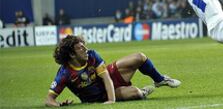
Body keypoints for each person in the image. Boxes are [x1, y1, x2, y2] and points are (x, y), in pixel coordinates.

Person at [45, 35, 181, 107]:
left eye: (84, 46)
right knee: (136, 93)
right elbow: (49, 100)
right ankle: (143, 92)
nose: (86, 49)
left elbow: (106, 78)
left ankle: (159, 79)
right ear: (72, 55)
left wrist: (112, 101)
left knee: (139, 57)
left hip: (108, 81)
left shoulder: (91, 55)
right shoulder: (65, 74)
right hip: (99, 98)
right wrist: (58, 105)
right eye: (81, 48)